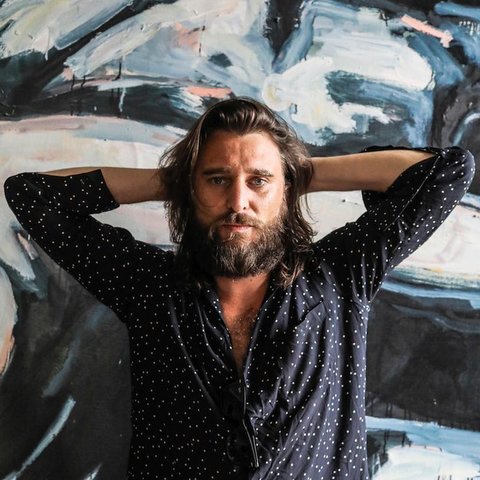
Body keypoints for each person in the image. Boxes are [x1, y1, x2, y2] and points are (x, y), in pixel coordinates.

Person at [4, 97, 475, 479]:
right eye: (217, 180)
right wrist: (176, 181)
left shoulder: (339, 278)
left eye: (258, 182)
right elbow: (32, 195)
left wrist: (298, 173)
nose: (237, 201)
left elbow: (447, 172)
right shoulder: (149, 286)